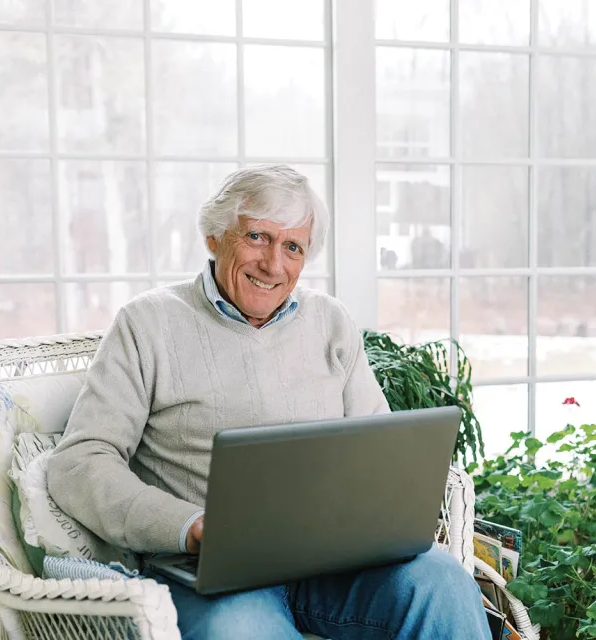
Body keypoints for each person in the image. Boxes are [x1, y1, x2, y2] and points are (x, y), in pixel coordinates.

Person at [47, 164, 491, 640]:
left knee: (443, 583)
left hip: (335, 563)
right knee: (245, 631)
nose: (273, 265)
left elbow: (375, 450)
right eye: (257, 237)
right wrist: (191, 525)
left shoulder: (331, 322)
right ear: (214, 237)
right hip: (214, 578)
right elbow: (80, 463)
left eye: (292, 247)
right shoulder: (147, 324)